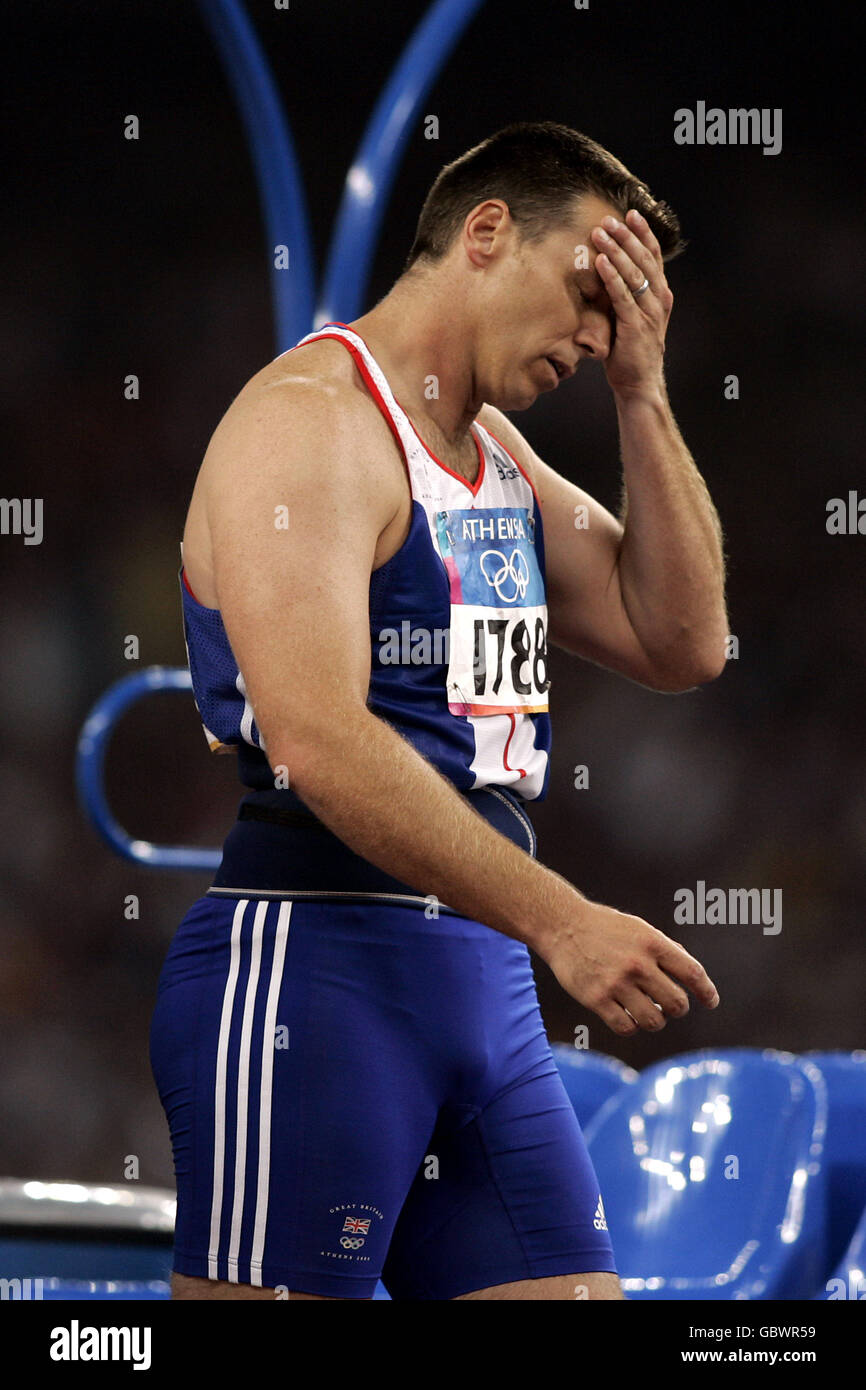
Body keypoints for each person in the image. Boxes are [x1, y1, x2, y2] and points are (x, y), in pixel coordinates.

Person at [150, 122, 728, 1302]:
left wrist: (641, 393)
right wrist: (562, 919)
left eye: (621, 313)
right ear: (483, 232)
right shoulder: (311, 422)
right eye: (587, 291)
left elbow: (682, 640)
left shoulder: (493, 458)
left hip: (485, 994)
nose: (595, 330)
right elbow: (315, 738)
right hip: (312, 969)